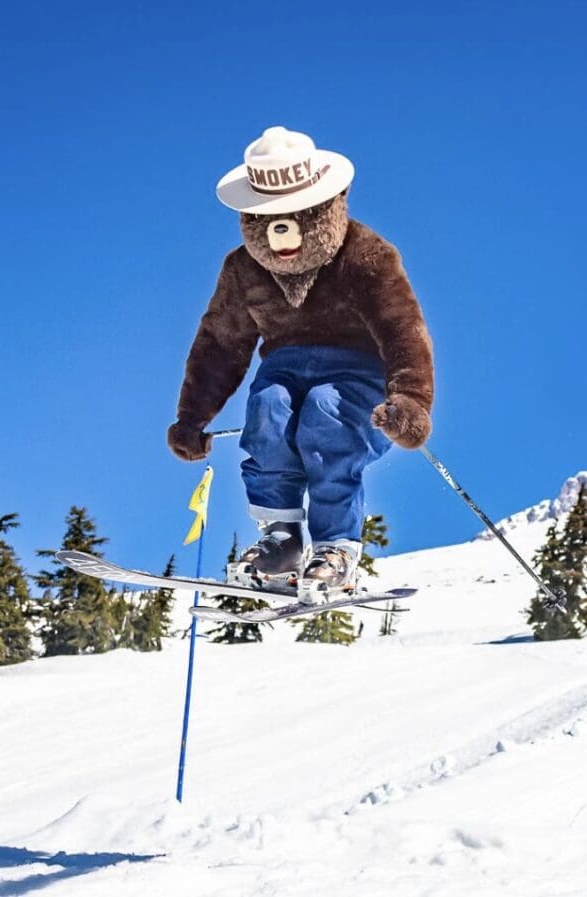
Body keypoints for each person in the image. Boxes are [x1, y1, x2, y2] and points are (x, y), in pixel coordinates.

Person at [167, 127, 434, 595]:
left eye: (296, 217)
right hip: (284, 366)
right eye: (266, 220)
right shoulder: (243, 270)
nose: (280, 234)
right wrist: (193, 416)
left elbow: (401, 326)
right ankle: (282, 536)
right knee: (268, 407)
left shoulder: (365, 255)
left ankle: (335, 546)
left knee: (326, 413)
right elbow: (219, 342)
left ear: (330, 204)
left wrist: (409, 399)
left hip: (356, 372)